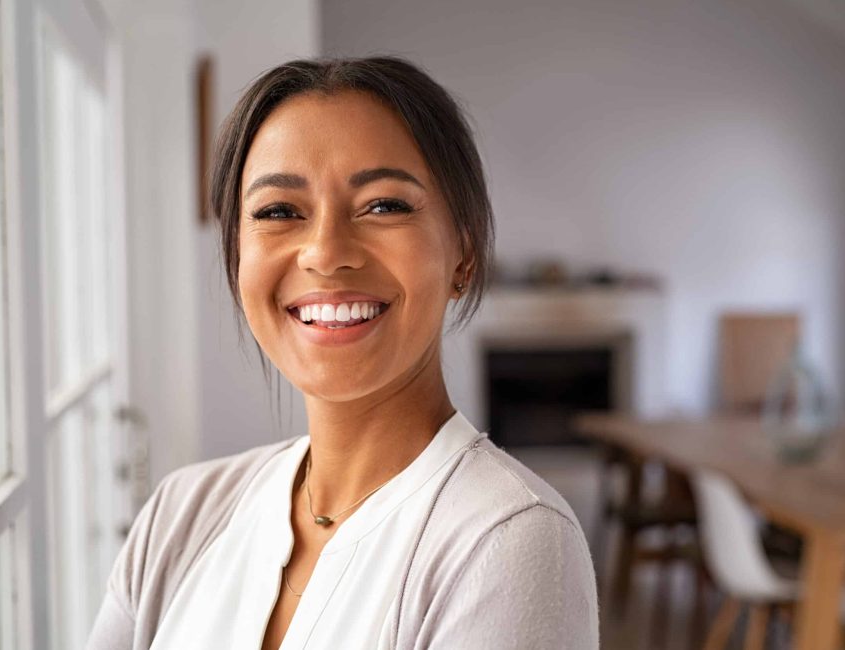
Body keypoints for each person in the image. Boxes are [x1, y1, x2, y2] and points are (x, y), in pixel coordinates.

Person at [86, 56, 598, 650]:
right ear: (237, 261)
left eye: (384, 205)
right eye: (279, 212)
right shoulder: (180, 517)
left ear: (463, 254)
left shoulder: (508, 541)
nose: (326, 254)